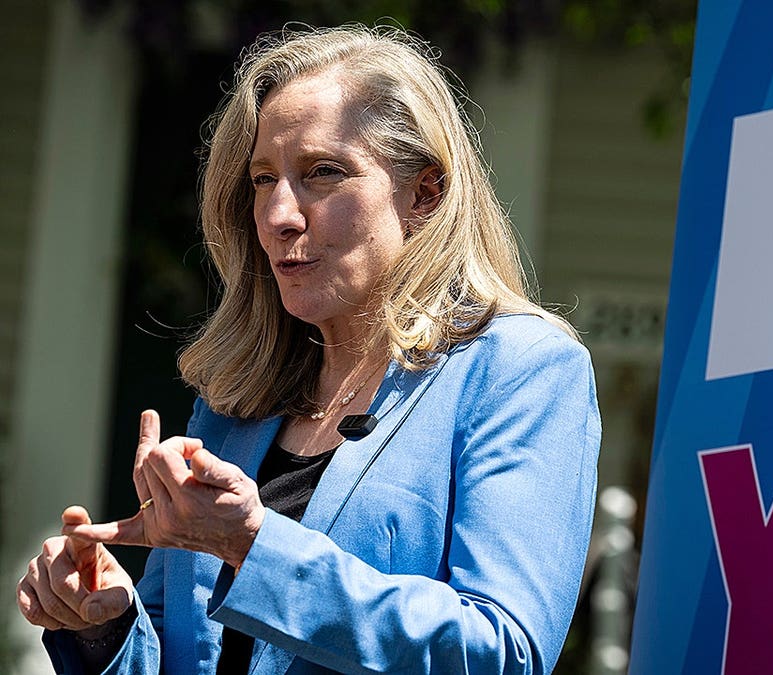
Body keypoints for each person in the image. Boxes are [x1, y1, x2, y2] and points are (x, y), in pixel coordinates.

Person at [14, 24, 601, 674]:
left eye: (323, 173)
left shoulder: (519, 370)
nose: (278, 214)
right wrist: (108, 626)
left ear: (424, 195)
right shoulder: (236, 402)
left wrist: (254, 544)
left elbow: (503, 651)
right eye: (264, 179)